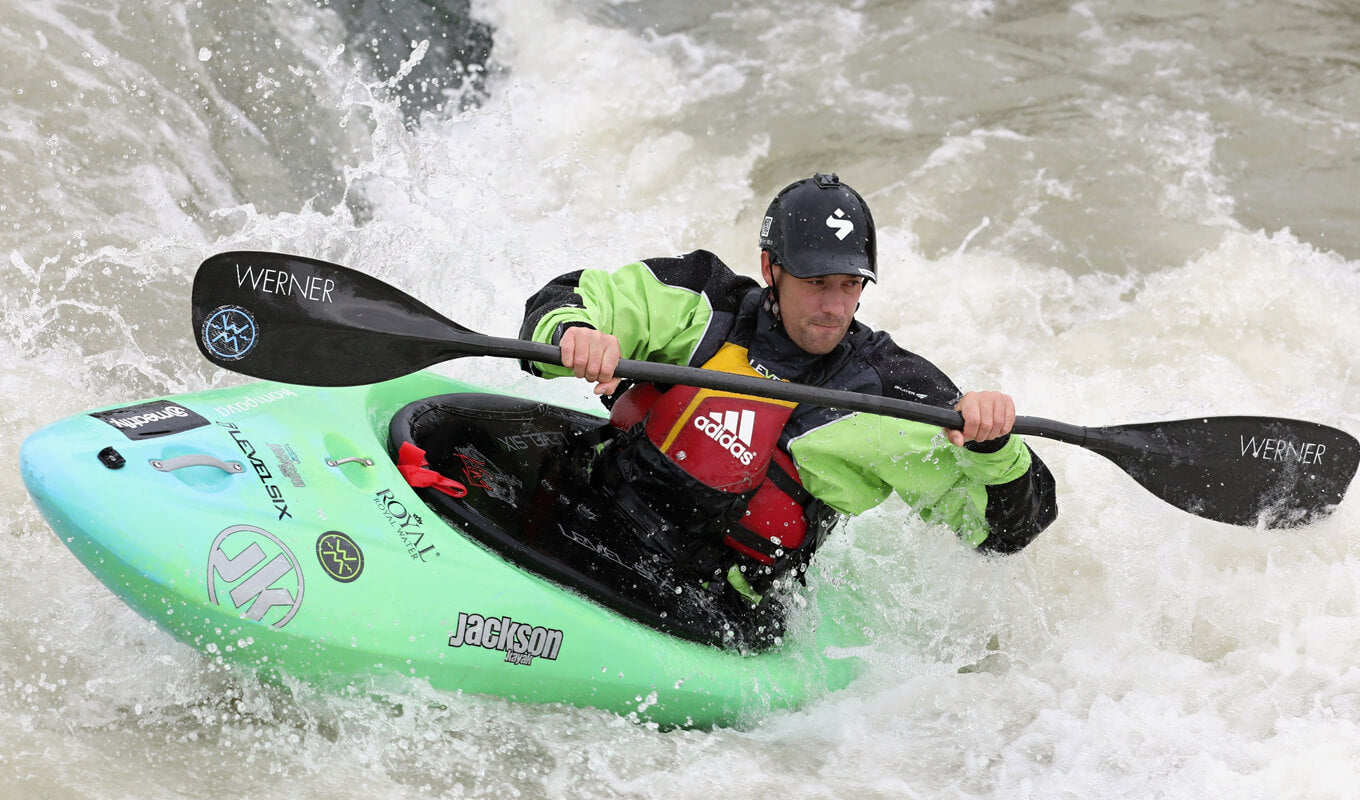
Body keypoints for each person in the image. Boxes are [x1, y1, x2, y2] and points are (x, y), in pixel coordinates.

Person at [520, 173, 1057, 604]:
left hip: (710, 604)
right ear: (770, 269)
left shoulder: (887, 391)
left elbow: (1004, 534)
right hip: (594, 506)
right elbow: (571, 297)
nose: (835, 305)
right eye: (816, 282)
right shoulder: (706, 303)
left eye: (850, 284)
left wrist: (994, 445)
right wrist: (575, 333)